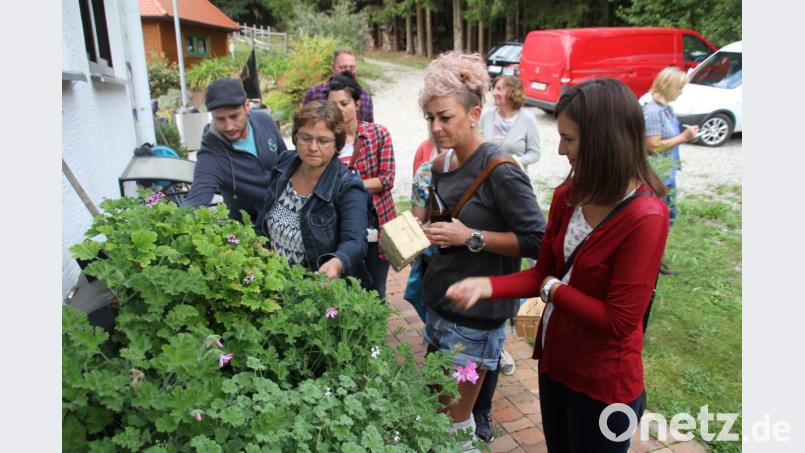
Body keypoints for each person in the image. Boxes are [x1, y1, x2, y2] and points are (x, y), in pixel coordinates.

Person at [446, 78, 671, 453]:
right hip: (556, 366)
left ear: (606, 142)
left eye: (570, 139)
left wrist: (553, 289)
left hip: (604, 386)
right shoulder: (570, 194)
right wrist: (487, 286)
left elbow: (618, 321)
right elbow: (542, 270)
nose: (560, 149)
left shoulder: (646, 216)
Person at [418, 52, 546, 450]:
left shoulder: (501, 170)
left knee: (454, 423)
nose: (436, 128)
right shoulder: (441, 164)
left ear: (475, 114)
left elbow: (538, 240)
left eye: (446, 117)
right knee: (437, 408)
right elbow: (442, 223)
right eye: (430, 118)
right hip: (441, 303)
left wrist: (470, 236)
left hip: (477, 317)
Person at [256, 100, 372, 287]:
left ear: (337, 144)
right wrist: (259, 243)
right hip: (275, 285)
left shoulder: (348, 186)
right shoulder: (284, 164)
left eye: (323, 140)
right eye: (306, 138)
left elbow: (355, 242)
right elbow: (263, 219)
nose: (312, 147)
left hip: (318, 289)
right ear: (295, 138)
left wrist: (336, 263)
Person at [327, 72, 396, 300]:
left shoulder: (378, 134)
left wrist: (349, 187)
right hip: (341, 227)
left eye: (344, 103)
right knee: (346, 290)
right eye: (332, 104)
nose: (338, 109)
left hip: (377, 224)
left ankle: (375, 335)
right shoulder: (325, 141)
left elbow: (386, 179)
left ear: (357, 104)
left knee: (377, 291)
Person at [183, 78, 287, 226]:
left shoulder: (265, 121)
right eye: (220, 119)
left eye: (234, 116)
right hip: (250, 230)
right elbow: (198, 196)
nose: (229, 127)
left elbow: (287, 163)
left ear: (247, 106)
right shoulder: (211, 151)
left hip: (287, 215)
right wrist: (178, 221)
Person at [643, 67, 699, 275]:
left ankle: (653, 260)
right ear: (668, 86)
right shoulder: (653, 111)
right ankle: (647, 262)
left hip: (667, 175)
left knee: (667, 218)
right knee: (656, 222)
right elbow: (652, 146)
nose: (681, 92)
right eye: (679, 88)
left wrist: (686, 135)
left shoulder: (666, 108)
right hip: (656, 177)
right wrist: (684, 137)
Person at [479, 75, 541, 173]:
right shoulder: (487, 115)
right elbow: (478, 145)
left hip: (514, 177)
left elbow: (535, 154)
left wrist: (514, 161)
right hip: (486, 176)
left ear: (513, 92)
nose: (494, 93)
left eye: (499, 89)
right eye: (493, 88)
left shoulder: (528, 118)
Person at [303, 48, 374, 123]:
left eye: (352, 67)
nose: (348, 70)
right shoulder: (314, 93)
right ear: (333, 68)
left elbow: (369, 128)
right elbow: (303, 126)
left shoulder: (365, 95)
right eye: (343, 67)